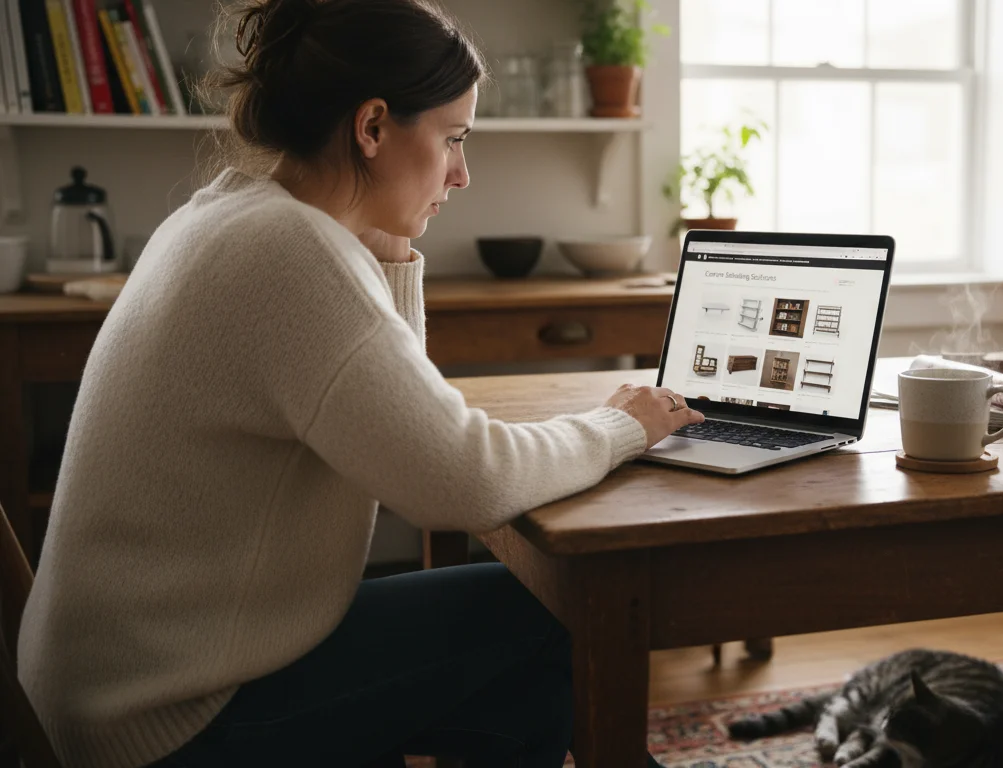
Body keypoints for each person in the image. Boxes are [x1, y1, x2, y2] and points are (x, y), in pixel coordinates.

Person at [16, 0, 702, 766]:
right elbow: (461, 478)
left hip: (118, 686)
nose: (462, 173)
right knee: (544, 615)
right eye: (452, 138)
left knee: (509, 663)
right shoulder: (286, 250)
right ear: (372, 127)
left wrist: (387, 244)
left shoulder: (233, 213)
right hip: (168, 722)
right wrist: (623, 426)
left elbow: (405, 422)